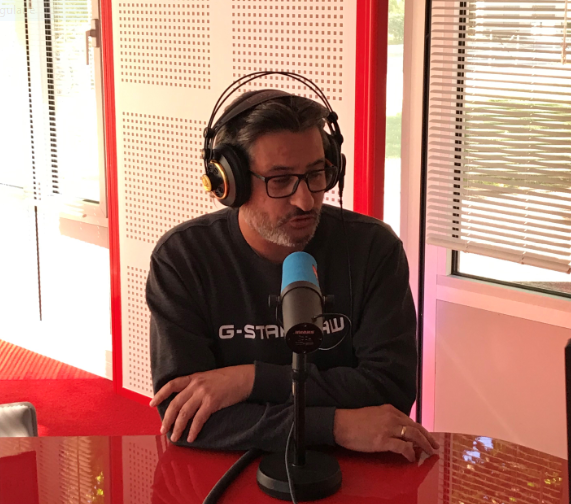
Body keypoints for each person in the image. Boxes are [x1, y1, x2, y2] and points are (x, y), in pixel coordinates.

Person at [146, 87, 439, 462]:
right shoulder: (183, 259)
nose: (305, 200)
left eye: (316, 174)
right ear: (229, 183)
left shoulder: (373, 249)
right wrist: (334, 425)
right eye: (280, 180)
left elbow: (390, 389)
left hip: (356, 467)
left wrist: (249, 380)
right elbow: (185, 417)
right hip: (230, 467)